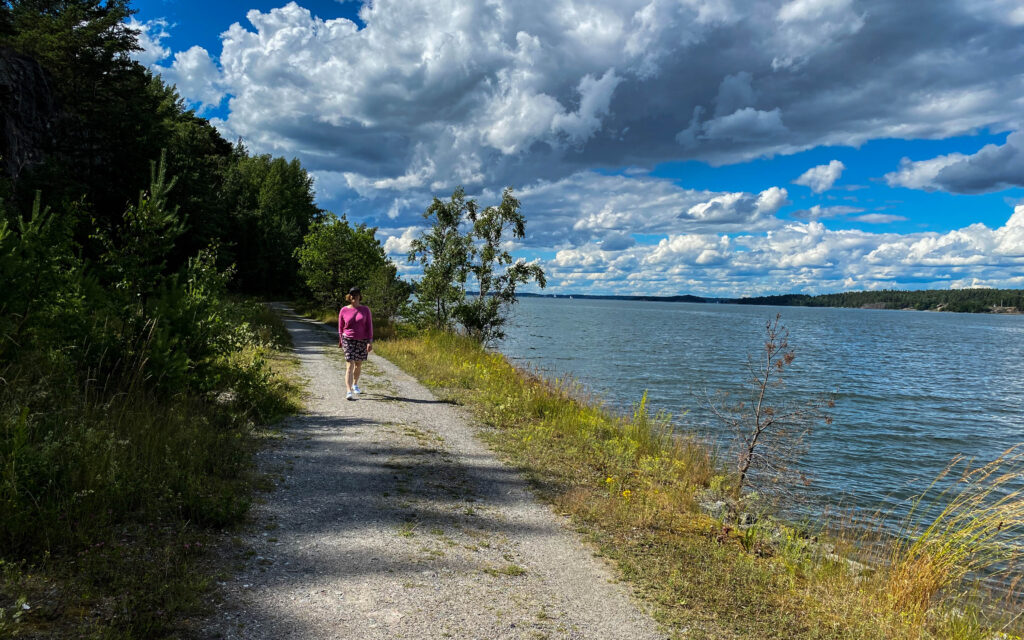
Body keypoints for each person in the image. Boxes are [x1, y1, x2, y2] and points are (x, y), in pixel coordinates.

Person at [338, 286, 373, 400]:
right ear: (349, 296)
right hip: (348, 339)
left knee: (358, 364)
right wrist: (340, 340)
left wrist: (369, 341)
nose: (354, 296)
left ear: (360, 296)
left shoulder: (365, 310)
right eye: (352, 294)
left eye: (356, 294)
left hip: (362, 340)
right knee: (350, 364)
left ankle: (355, 384)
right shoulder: (344, 310)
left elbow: (369, 326)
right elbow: (340, 327)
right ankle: (348, 391)